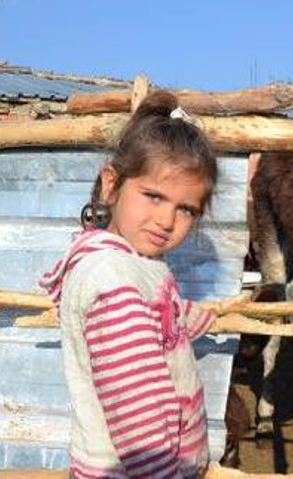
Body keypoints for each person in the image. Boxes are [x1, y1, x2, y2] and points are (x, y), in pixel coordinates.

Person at [40, 90, 221, 478]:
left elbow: (151, 313)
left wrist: (191, 315)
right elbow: (138, 413)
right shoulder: (114, 281)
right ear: (112, 185)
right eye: (153, 196)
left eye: (185, 209)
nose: (166, 220)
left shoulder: (127, 262)